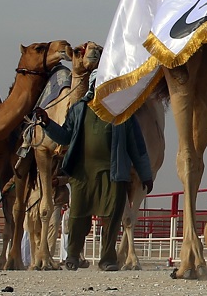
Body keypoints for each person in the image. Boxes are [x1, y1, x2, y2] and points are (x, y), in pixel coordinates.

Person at [34, 71, 153, 271]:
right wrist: (47, 123)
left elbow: (137, 147)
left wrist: (146, 174)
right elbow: (65, 137)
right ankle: (72, 256)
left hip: (114, 172)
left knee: (113, 217)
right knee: (78, 216)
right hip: (83, 173)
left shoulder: (122, 113)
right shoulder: (79, 110)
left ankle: (107, 260)